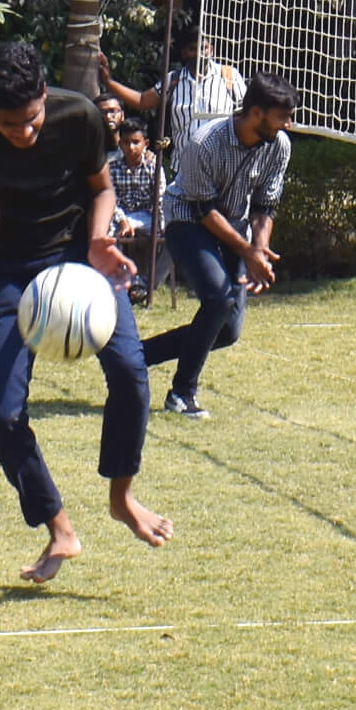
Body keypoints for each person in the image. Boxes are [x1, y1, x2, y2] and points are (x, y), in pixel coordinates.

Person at [0, 39, 172, 583]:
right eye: (8, 124)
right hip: (11, 269)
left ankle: (122, 498)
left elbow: (101, 189)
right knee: (2, 413)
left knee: (131, 371)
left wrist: (99, 239)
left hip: (80, 256)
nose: (24, 132)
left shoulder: (78, 115)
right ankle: (58, 527)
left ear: (45, 94)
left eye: (32, 119)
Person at [141, 75, 297, 417]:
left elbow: (265, 205)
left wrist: (260, 248)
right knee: (219, 299)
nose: (288, 124)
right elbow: (204, 210)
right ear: (256, 113)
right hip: (188, 222)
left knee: (227, 330)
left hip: (234, 227)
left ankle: (136, 356)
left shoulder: (279, 145)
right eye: (282, 117)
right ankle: (181, 395)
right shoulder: (205, 143)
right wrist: (248, 252)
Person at [100, 22, 245, 155]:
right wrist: (108, 82)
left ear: (211, 50)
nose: (199, 54)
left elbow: (246, 113)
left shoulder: (229, 76)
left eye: (203, 48)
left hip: (221, 163)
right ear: (184, 53)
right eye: (192, 49)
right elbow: (142, 101)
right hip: (185, 165)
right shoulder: (173, 80)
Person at [108, 123, 159, 248]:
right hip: (121, 216)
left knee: (164, 234)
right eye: (126, 143)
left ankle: (156, 262)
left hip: (147, 216)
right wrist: (122, 221)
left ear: (145, 144)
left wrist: (161, 226)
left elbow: (159, 199)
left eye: (136, 142)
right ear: (120, 144)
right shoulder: (113, 168)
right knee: (109, 234)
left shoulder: (153, 166)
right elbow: (112, 201)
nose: (131, 147)